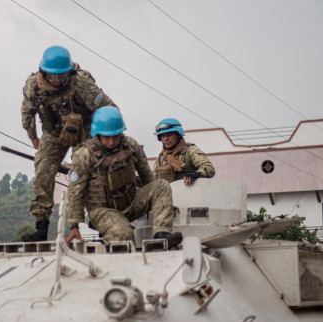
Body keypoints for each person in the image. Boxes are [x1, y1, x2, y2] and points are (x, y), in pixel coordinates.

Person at [21, 45, 116, 242]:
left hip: (85, 128)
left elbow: (109, 109)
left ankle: (99, 221)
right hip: (54, 130)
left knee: (87, 172)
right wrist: (34, 139)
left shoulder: (81, 83)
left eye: (62, 76)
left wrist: (103, 141)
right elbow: (27, 113)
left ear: (70, 72)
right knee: (43, 171)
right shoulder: (33, 86)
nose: (57, 80)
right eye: (53, 76)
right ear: (43, 72)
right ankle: (41, 226)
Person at [64, 107, 182, 248]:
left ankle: (161, 237)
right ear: (98, 134)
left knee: (162, 185)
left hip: (130, 203)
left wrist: (162, 202)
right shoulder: (84, 155)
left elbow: (147, 177)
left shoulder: (130, 145)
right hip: (103, 211)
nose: (112, 141)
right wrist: (74, 226)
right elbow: (75, 191)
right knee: (124, 236)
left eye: (116, 135)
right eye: (107, 137)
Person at [153, 118, 215, 186]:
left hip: (192, 193)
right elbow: (151, 179)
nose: (165, 139)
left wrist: (196, 174)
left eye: (169, 135)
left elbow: (209, 169)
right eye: (163, 136)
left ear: (178, 135)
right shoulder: (161, 158)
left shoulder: (190, 150)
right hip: (170, 195)